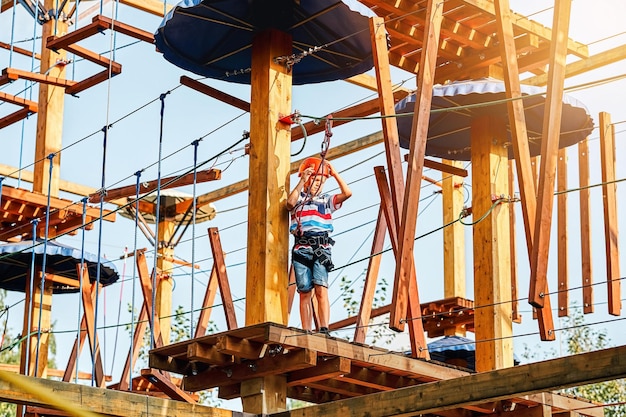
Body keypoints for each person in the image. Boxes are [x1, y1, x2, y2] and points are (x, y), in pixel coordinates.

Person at [286, 157, 352, 335]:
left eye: (321, 181)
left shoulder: (326, 201)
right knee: (305, 291)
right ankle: (306, 329)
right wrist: (302, 180)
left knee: (321, 288)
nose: (317, 184)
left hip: (321, 247)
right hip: (302, 248)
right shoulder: (298, 198)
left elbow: (347, 193)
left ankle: (324, 328)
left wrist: (334, 173)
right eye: (314, 180)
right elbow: (289, 203)